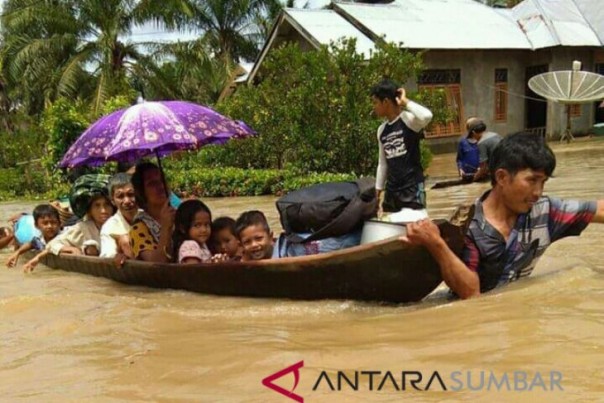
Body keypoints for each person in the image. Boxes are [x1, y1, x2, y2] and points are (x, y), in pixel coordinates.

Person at [401, 132, 604, 299]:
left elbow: (600, 209)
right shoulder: (468, 227)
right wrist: (436, 245)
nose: (538, 192)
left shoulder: (546, 212)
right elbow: (471, 295)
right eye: (532, 180)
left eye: (543, 182)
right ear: (502, 177)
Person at [371, 79, 433, 215]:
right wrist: (377, 193)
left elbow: (427, 116)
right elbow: (382, 164)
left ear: (386, 102)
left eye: (375, 102)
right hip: (392, 191)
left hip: (412, 187)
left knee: (416, 228)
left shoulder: (408, 120)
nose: (374, 107)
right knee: (393, 232)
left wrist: (405, 101)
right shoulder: (382, 130)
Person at [39, 175, 115, 269]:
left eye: (107, 205)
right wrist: (71, 249)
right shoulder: (83, 228)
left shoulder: (119, 224)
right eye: (97, 206)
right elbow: (51, 244)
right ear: (89, 210)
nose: (103, 211)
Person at [129, 162, 175, 263]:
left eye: (162, 180)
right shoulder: (138, 229)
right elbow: (155, 265)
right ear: (141, 192)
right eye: (152, 184)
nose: (161, 186)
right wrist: (165, 228)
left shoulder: (180, 215)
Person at [99, 173, 138, 258]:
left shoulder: (148, 217)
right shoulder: (109, 228)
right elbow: (108, 256)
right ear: (113, 201)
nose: (127, 201)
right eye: (120, 196)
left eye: (130, 194)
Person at [172, 199, 213, 264]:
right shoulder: (190, 245)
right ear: (182, 228)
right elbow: (193, 270)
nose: (204, 230)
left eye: (207, 224)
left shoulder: (202, 245)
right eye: (197, 225)